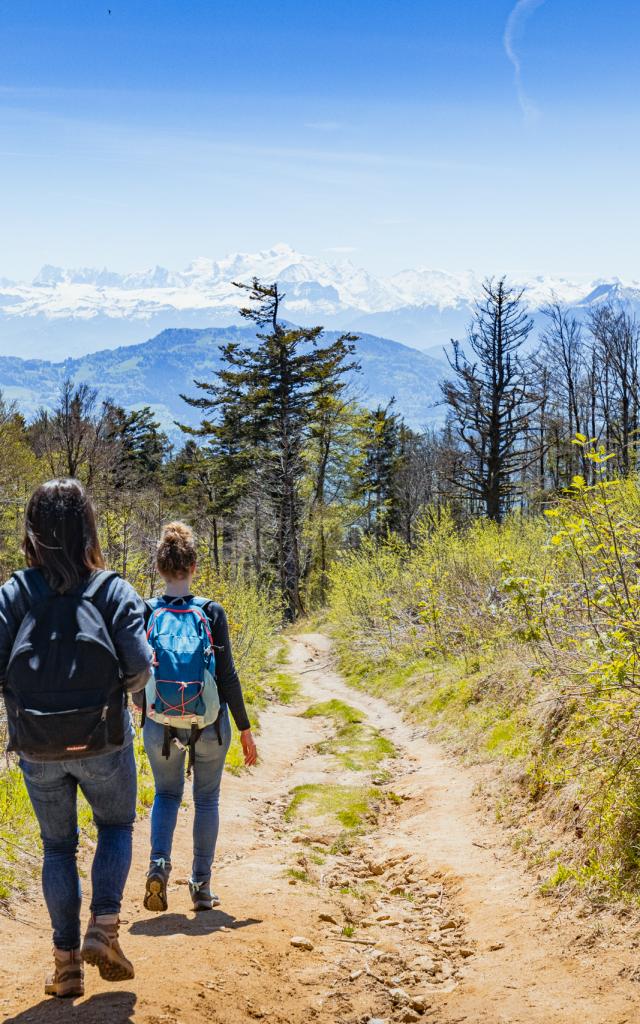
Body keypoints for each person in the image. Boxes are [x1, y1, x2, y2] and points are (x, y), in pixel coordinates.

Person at [0, 479, 153, 999]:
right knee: (115, 826)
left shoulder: (16, 592)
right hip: (104, 737)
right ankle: (104, 930)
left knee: (56, 846)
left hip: (37, 743)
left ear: (33, 532)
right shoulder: (112, 590)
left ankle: (65, 966)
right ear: (88, 527)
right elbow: (138, 669)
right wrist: (111, 694)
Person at [141, 521, 257, 914]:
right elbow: (227, 676)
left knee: (166, 794)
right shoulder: (210, 611)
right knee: (206, 799)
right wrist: (244, 728)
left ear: (159, 567)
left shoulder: (147, 611)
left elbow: (137, 672)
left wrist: (141, 705)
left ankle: (158, 866)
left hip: (161, 724)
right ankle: (201, 887)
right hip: (210, 724)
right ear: (193, 567)